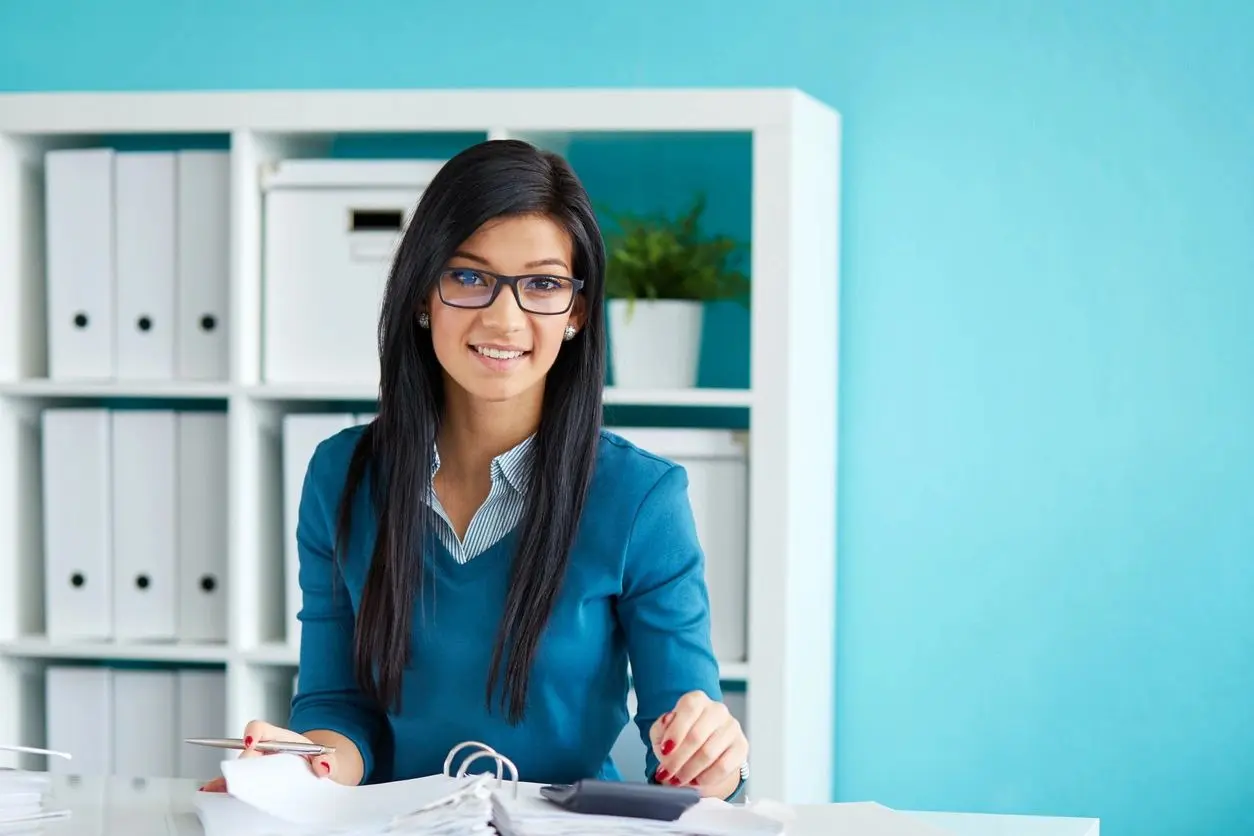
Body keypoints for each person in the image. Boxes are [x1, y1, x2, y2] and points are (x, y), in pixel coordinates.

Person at [201, 139, 749, 800]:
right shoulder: (341, 476)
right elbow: (339, 705)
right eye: (468, 277)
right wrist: (305, 763)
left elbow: (686, 734)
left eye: (542, 284)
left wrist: (710, 754)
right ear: (422, 293)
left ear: (576, 311)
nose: (504, 316)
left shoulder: (643, 498)